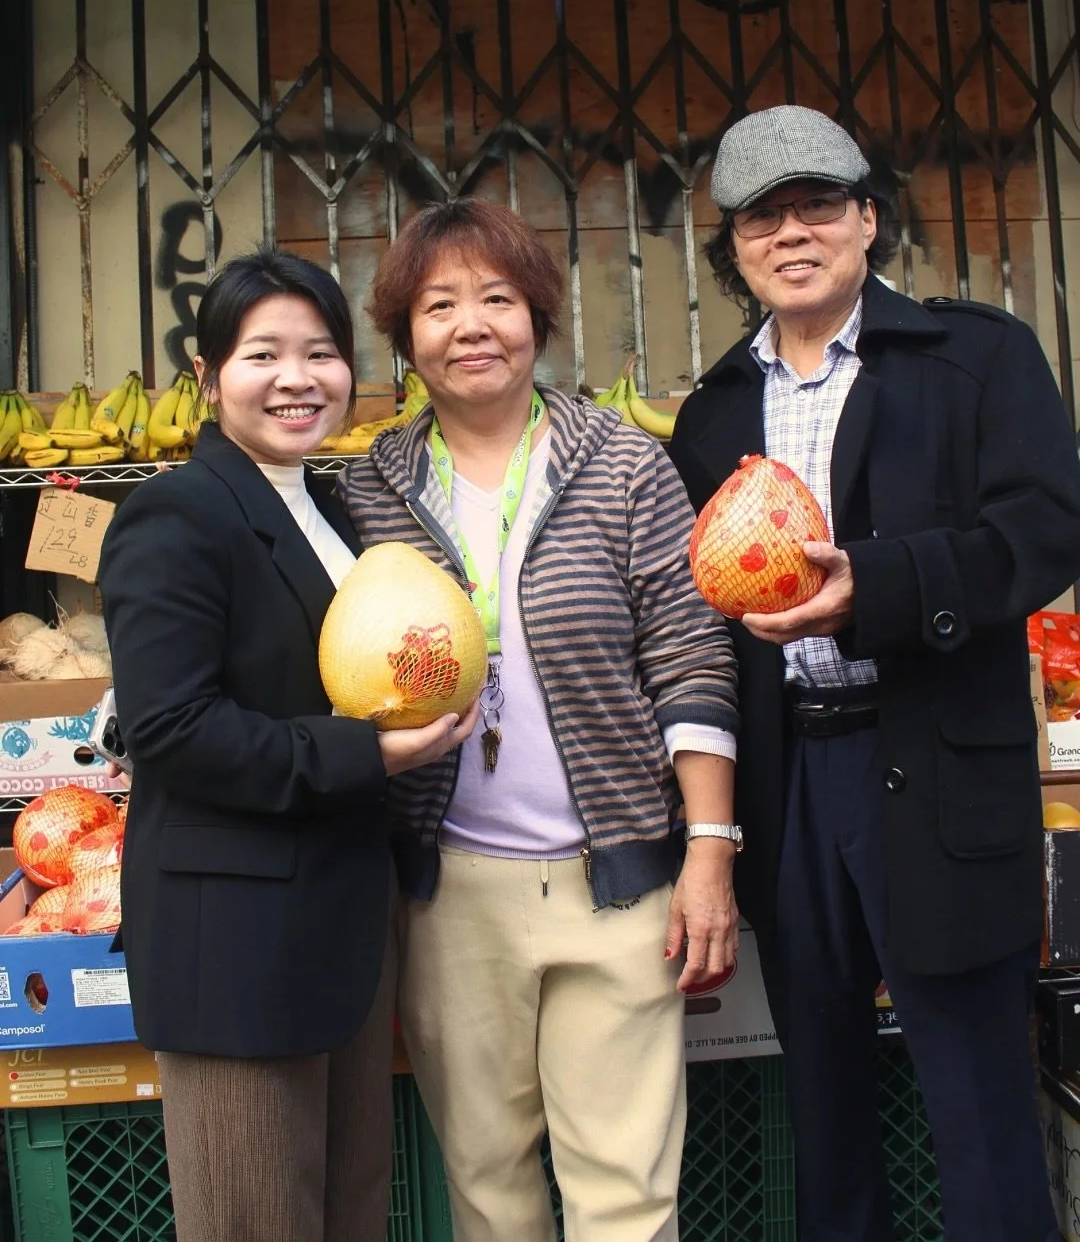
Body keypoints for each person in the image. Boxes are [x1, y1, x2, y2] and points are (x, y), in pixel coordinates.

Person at [668, 103, 1080, 1242]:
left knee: (978, 1097)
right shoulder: (709, 415)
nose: (790, 233)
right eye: (762, 217)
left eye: (817, 206)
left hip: (937, 771)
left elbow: (1044, 532)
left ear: (867, 220)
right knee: (825, 1096)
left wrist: (880, 588)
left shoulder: (975, 356)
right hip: (792, 783)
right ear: (735, 249)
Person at [336, 196, 740, 1242]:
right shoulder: (368, 486)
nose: (471, 325)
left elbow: (691, 652)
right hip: (449, 895)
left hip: (617, 886)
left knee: (626, 1194)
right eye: (439, 305)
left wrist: (707, 852)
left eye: (497, 298)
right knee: (488, 1189)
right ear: (406, 337)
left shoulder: (622, 462)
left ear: (538, 316)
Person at [98, 249, 476, 1242]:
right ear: (207, 374)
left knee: (348, 1212)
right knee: (254, 1221)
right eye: (263, 353)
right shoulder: (175, 516)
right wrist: (369, 755)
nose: (298, 378)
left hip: (337, 929)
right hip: (236, 946)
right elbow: (172, 731)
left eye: (321, 352)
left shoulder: (329, 507)